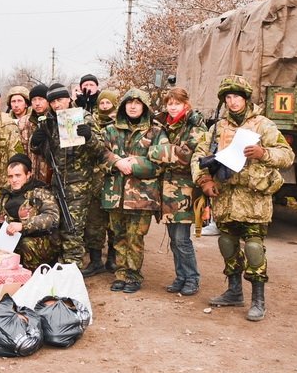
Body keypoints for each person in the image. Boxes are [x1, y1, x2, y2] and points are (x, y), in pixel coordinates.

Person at [192, 75, 294, 321]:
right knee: (227, 243)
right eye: (228, 97)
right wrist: (204, 181)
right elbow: (199, 155)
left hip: (254, 197)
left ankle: (258, 299)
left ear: (246, 99)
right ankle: (234, 291)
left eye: (236, 96)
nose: (232, 101)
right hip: (226, 196)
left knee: (254, 247)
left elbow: (287, 155)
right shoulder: (217, 127)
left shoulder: (263, 125)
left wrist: (263, 153)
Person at [30, 83, 107, 270]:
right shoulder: (47, 121)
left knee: (72, 229)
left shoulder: (84, 117)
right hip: (57, 182)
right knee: (57, 229)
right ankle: (62, 268)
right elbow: (42, 152)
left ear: (68, 99)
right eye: (53, 101)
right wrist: (37, 142)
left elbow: (101, 152)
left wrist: (89, 137)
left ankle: (72, 273)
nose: (57, 105)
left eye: (60, 100)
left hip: (80, 183)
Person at [99, 88, 167, 293]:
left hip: (142, 196)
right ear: (123, 106)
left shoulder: (156, 131)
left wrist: (134, 164)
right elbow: (100, 153)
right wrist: (117, 163)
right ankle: (120, 274)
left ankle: (133, 275)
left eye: (138, 103)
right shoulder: (110, 130)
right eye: (129, 102)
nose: (133, 106)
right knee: (118, 237)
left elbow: (160, 161)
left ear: (144, 106)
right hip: (115, 194)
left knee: (135, 238)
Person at [149, 87, 207, 295]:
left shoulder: (195, 125)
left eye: (177, 103)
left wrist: (157, 151)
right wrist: (170, 153)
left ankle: (192, 278)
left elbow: (186, 156)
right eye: (170, 104)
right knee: (174, 239)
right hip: (167, 190)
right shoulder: (165, 124)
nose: (172, 107)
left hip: (185, 190)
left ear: (186, 104)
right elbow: (175, 153)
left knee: (182, 239)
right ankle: (181, 276)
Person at [0, 154, 61, 271]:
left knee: (25, 243)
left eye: (18, 175)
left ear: (28, 174)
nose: (14, 180)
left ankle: (31, 278)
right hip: (11, 240)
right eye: (10, 176)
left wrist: (23, 225)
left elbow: (52, 217)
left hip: (42, 241)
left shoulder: (40, 192)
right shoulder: (5, 196)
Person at [84, 87, 120, 273]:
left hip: (113, 179)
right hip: (94, 179)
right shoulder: (91, 122)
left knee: (113, 223)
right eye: (102, 103)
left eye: (108, 103)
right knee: (94, 222)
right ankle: (96, 260)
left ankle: (112, 259)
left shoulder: (120, 124)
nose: (105, 106)